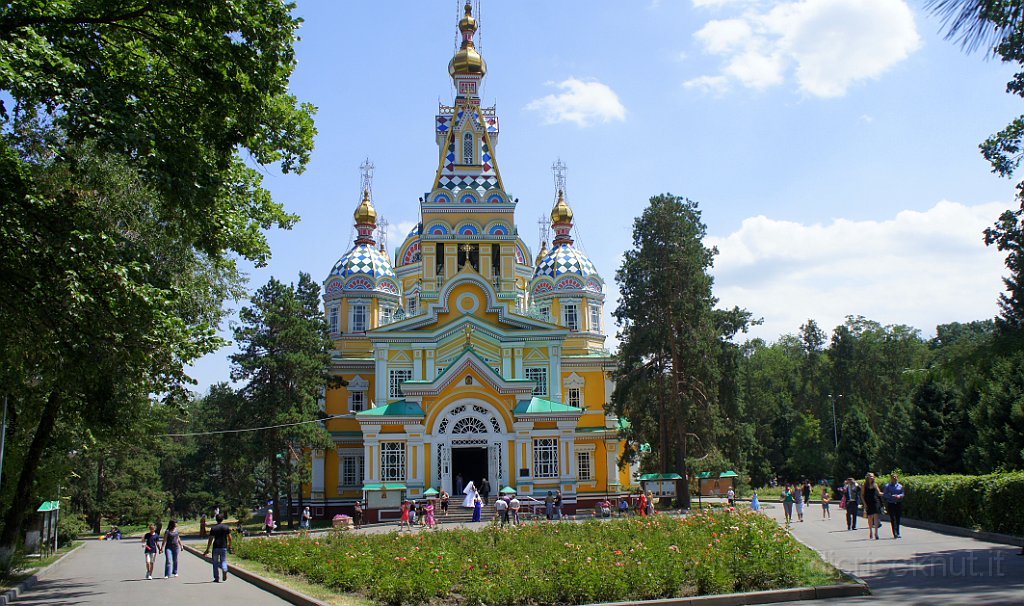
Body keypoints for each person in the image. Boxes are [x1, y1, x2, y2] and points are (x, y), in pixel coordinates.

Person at [203, 513, 232, 583]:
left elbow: (210, 539)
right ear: (222, 519)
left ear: (216, 520)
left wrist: (207, 549)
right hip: (223, 547)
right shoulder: (226, 527)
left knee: (215, 563)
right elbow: (230, 538)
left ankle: (216, 577)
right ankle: (224, 569)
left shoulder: (213, 528)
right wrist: (229, 545)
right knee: (223, 561)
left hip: (216, 547)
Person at [863, 472, 884, 540]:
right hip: (868, 502)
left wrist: (886, 493)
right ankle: (871, 531)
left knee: (876, 517)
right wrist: (865, 503)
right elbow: (862, 495)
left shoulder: (875, 484)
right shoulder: (865, 485)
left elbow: (879, 493)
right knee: (870, 517)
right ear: (868, 477)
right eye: (870, 476)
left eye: (872, 476)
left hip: (875, 502)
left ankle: (876, 533)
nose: (872, 477)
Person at [883, 473, 905, 538]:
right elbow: (885, 494)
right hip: (891, 503)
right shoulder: (887, 486)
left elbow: (903, 493)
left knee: (898, 518)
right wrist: (891, 496)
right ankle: (894, 533)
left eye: (895, 477)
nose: (894, 478)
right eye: (893, 477)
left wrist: (899, 496)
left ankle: (898, 532)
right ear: (891, 478)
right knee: (893, 518)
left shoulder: (900, 486)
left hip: (898, 503)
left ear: (897, 478)